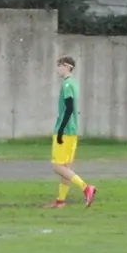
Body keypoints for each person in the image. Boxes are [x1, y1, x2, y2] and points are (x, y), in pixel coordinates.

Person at [45, 56, 96, 209]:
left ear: (66, 66)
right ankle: (60, 202)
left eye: (59, 65)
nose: (57, 69)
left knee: (58, 167)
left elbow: (69, 107)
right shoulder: (74, 84)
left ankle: (86, 188)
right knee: (66, 168)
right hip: (72, 130)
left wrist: (60, 129)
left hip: (65, 130)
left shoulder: (67, 85)